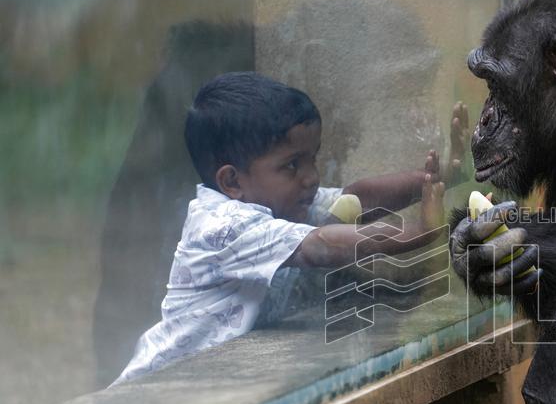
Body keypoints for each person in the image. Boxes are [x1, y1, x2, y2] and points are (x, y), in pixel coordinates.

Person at [111, 71, 466, 385]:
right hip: (163, 385)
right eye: (292, 165)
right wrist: (416, 231)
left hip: (209, 382)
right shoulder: (223, 225)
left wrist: (437, 179)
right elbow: (321, 245)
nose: (311, 177)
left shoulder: (282, 203)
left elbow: (357, 197)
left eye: (313, 158)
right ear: (232, 180)